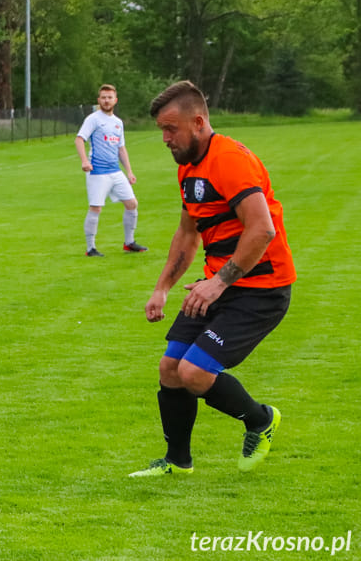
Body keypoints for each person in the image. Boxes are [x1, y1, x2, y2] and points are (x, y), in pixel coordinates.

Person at [129, 80, 295, 477]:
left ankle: (261, 419)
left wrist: (217, 283)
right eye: (161, 131)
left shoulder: (230, 160)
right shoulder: (189, 165)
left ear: (199, 121)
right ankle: (177, 462)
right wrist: (162, 288)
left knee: (194, 372)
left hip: (262, 288)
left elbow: (262, 229)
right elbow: (189, 232)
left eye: (171, 129)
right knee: (170, 368)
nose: (165, 138)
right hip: (216, 283)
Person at [74, 84, 147, 257]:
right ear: (99, 100)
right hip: (98, 171)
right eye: (103, 97)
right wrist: (84, 161)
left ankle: (129, 242)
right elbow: (79, 139)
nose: (106, 100)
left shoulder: (118, 123)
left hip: (115, 171)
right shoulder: (93, 119)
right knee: (96, 208)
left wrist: (129, 171)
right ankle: (90, 248)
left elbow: (121, 148)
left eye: (109, 97)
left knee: (132, 204)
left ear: (115, 100)